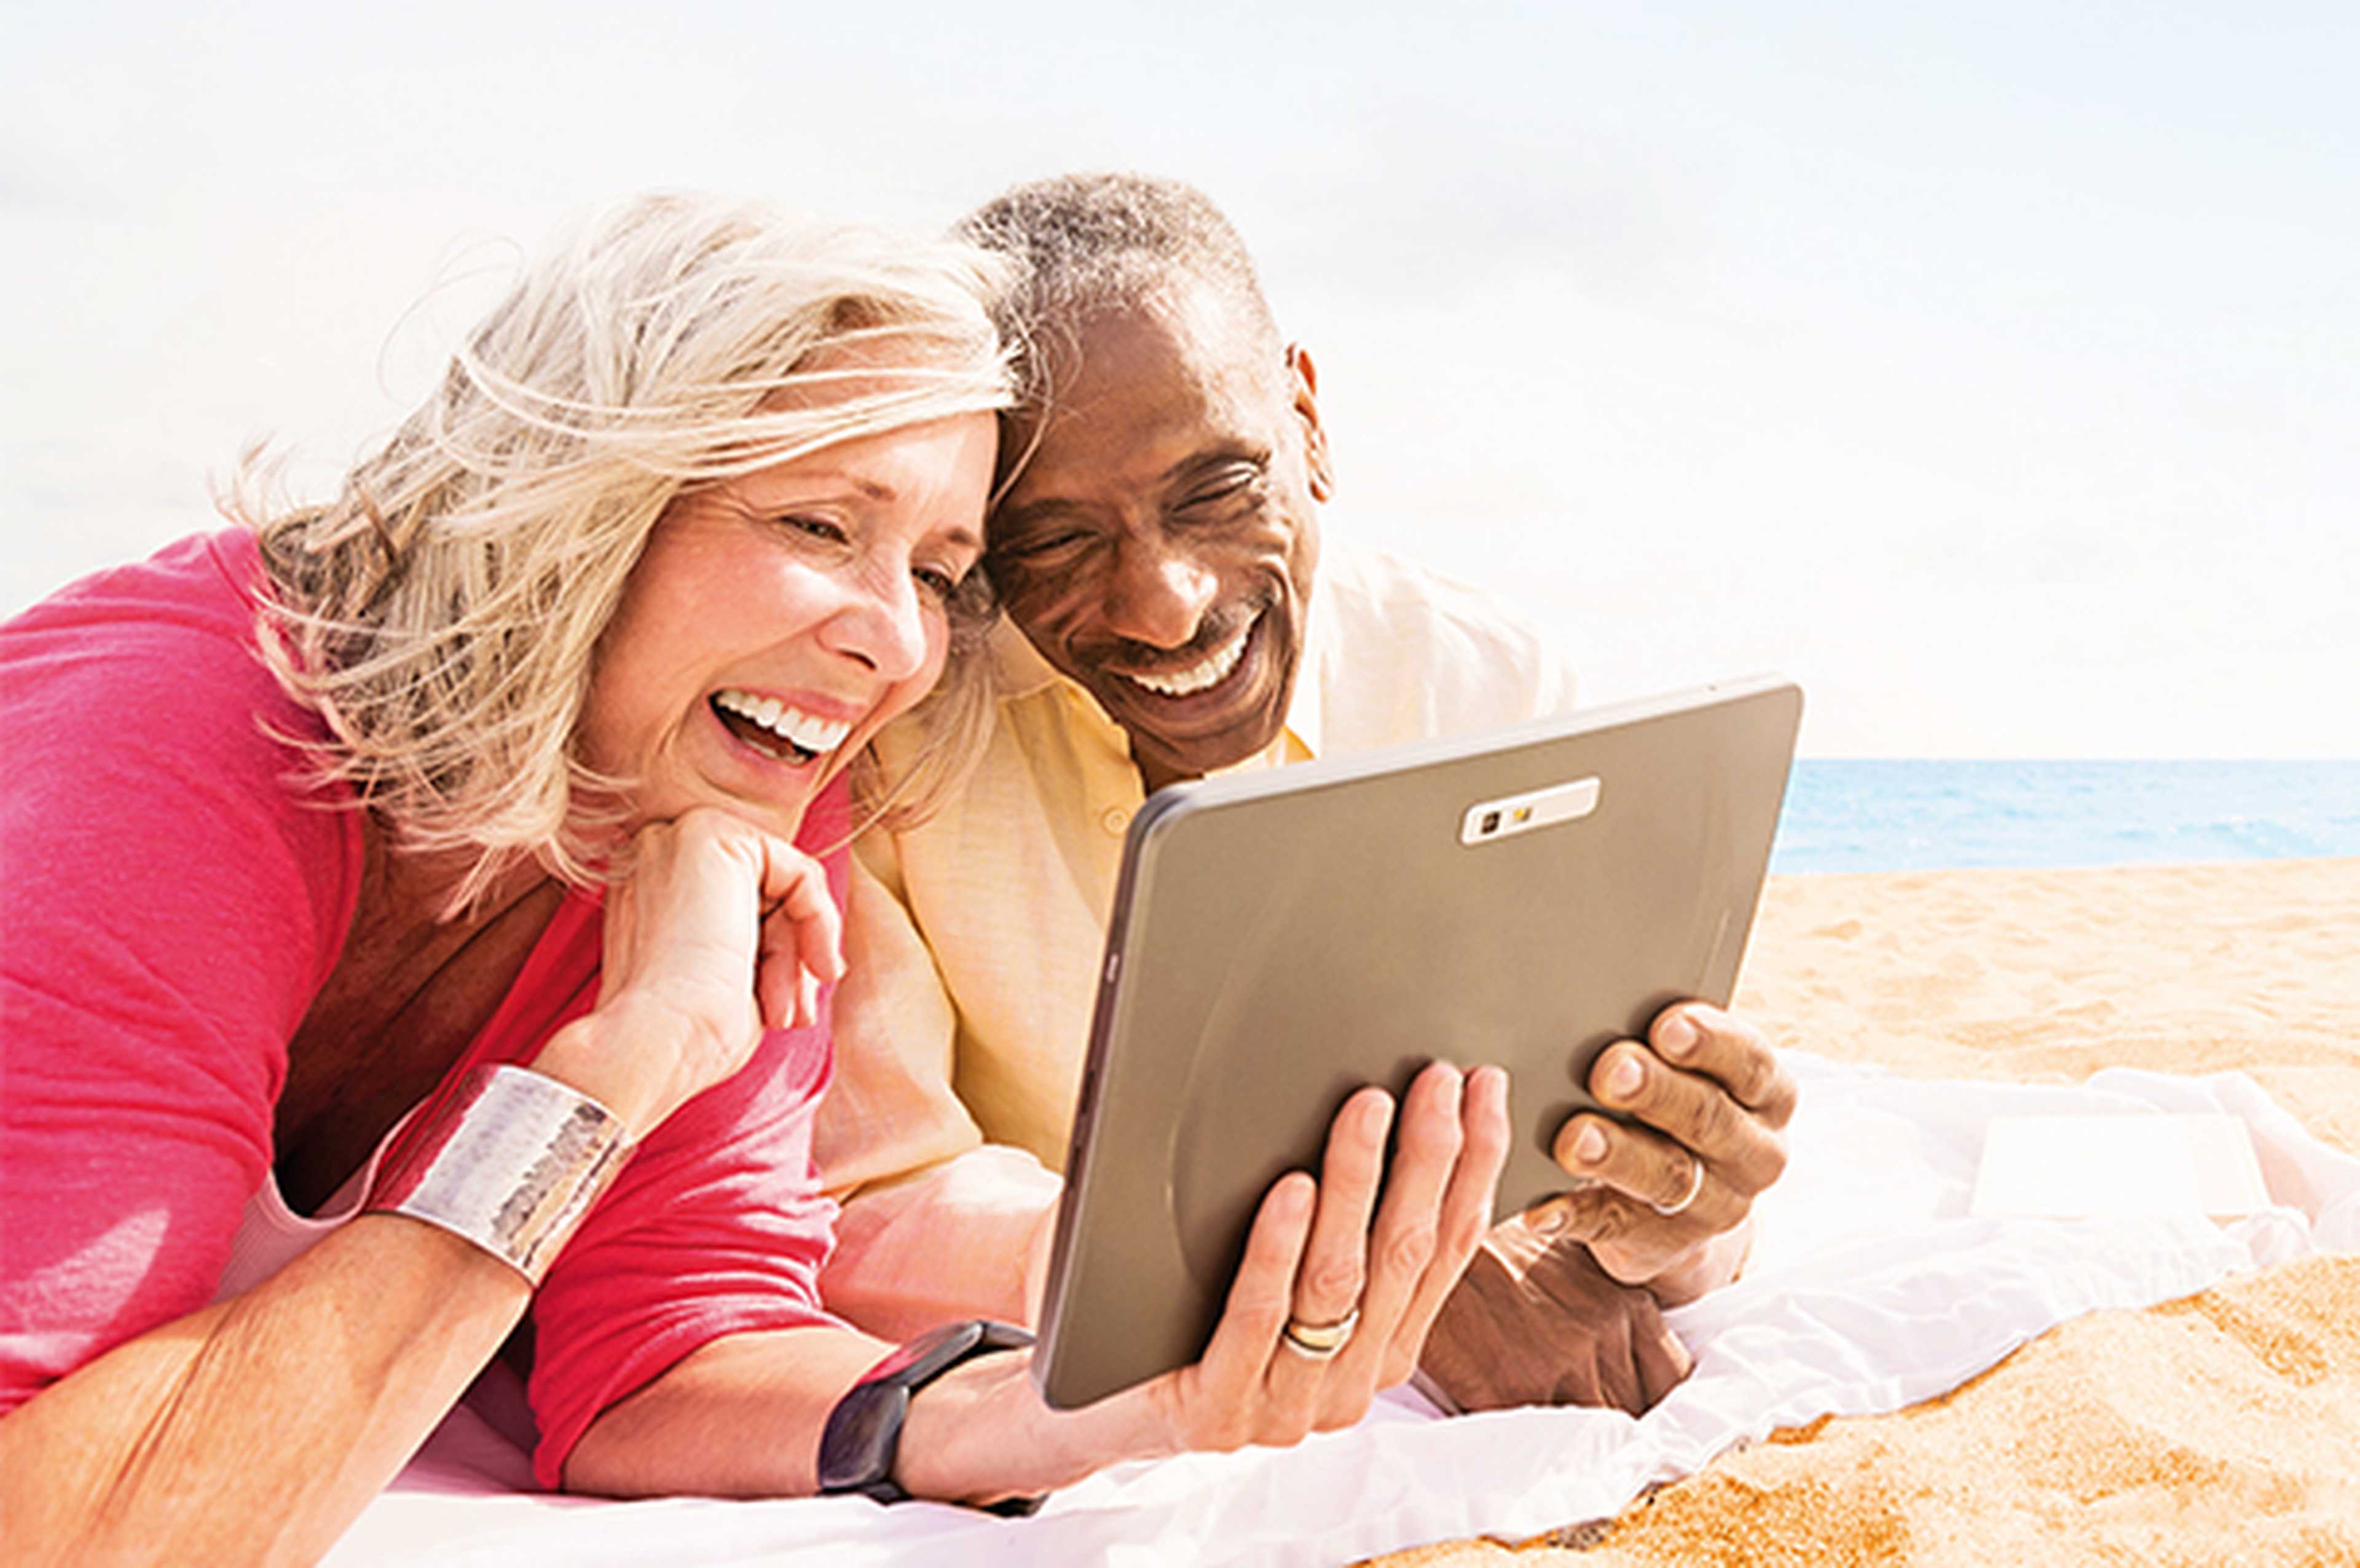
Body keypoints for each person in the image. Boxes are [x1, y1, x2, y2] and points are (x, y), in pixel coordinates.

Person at [0, 192, 1511, 1563]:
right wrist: (614, 1075)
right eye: (817, 527)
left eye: (934, 569)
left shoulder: (727, 801)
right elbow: (61, 1523)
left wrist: (1099, 1407)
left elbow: (668, 1355)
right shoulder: (172, 741)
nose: (897, 643)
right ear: (576, 506)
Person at [817, 173, 1799, 1415]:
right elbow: (864, 1202)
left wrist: (1679, 1213)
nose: (1164, 601)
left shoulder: (1491, 684)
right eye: (1056, 542)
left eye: (1217, 489)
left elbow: (1617, 1181)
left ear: (1309, 423)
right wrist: (1365, 1277)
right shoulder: (896, 739)